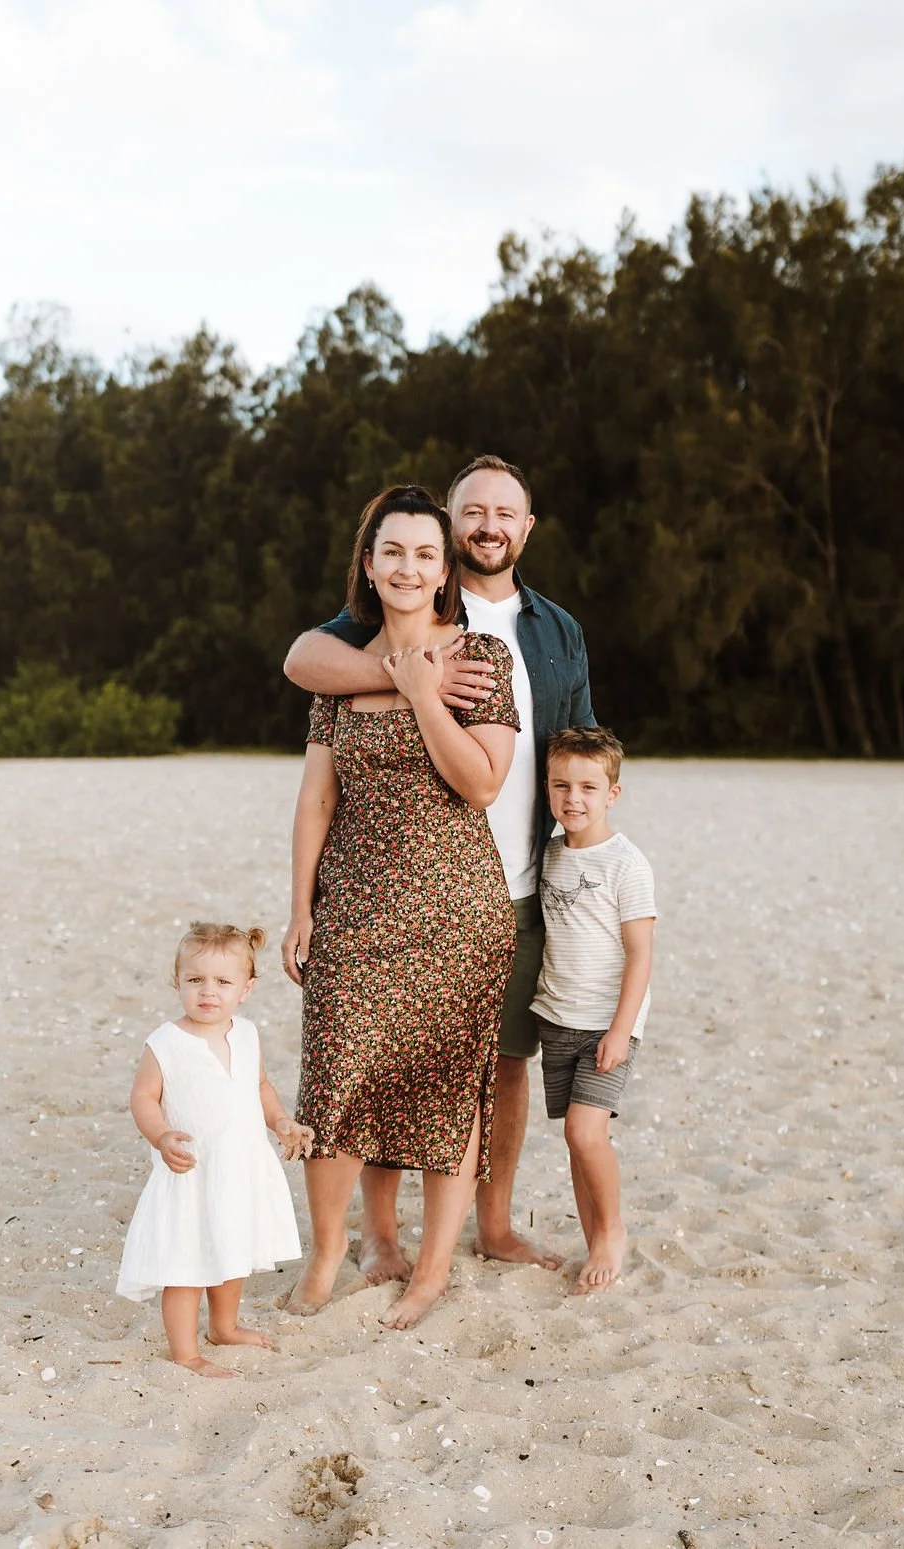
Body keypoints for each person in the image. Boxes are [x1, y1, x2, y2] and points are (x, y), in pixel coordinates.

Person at [283, 454, 595, 1279]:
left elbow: (575, 744)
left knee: (501, 1061)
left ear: (527, 527)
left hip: (514, 879)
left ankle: (493, 1225)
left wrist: (598, 855)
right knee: (385, 1057)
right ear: (449, 529)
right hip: (379, 887)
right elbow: (302, 663)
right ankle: (380, 1234)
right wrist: (409, 677)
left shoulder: (555, 631)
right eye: (474, 511)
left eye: (507, 512)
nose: (489, 524)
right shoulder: (375, 623)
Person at [282, 484, 519, 1330]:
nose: (410, 567)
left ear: (445, 566)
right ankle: (324, 1260)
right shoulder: (340, 665)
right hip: (351, 903)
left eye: (426, 553)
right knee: (335, 1081)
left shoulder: (482, 661)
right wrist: (301, 904)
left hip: (457, 910)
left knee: (446, 1087)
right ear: (371, 564)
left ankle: (430, 1273)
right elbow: (315, 798)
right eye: (394, 552)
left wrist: (425, 695)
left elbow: (483, 782)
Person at [117, 921, 314, 1377]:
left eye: (223, 982)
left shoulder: (247, 1034)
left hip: (239, 1166)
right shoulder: (166, 1042)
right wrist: (162, 1136)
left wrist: (281, 1122)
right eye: (195, 980)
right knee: (187, 1262)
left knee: (233, 1248)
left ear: (246, 989)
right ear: (177, 981)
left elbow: (259, 1085)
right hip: (192, 1170)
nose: (209, 992)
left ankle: (223, 1326)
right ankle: (186, 1352)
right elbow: (143, 1097)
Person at [531, 727, 656, 1293]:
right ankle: (593, 1240)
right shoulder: (550, 854)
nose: (572, 799)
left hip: (608, 1026)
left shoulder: (625, 864)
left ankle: (612, 1233)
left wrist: (621, 1031)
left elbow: (641, 954)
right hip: (557, 1016)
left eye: (587, 786)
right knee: (575, 1138)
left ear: (612, 793)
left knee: (586, 1134)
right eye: (561, 786)